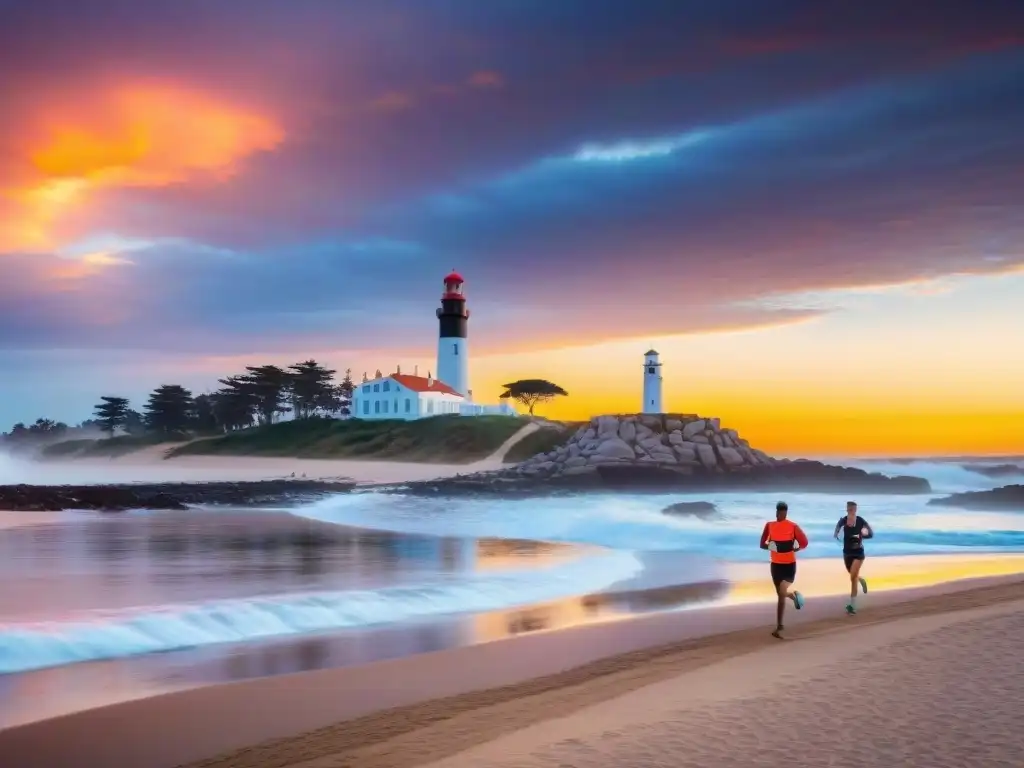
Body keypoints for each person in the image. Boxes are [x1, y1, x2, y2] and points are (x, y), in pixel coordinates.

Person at [760, 501, 808, 639]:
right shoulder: (769, 526)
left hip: (789, 566)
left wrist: (796, 548)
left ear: (786, 512)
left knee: (781, 593)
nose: (778, 514)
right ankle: (793, 596)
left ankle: (780, 627)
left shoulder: (793, 526)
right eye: (777, 511)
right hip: (775, 566)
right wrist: (770, 546)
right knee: (780, 593)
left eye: (781, 511)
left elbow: (804, 542)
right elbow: (761, 544)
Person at [833, 500, 873, 614]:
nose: (851, 511)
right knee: (853, 576)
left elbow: (871, 534)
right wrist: (836, 533)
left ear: (855, 510)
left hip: (859, 553)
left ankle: (852, 605)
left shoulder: (860, 521)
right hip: (847, 553)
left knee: (852, 578)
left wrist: (863, 535)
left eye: (853, 509)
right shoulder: (843, 520)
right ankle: (861, 580)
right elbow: (837, 529)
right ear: (847, 509)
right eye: (849, 509)